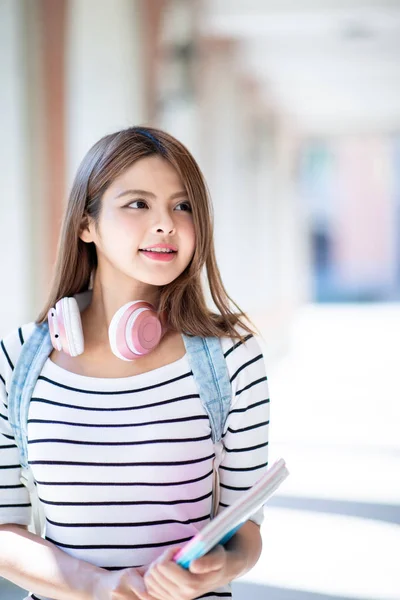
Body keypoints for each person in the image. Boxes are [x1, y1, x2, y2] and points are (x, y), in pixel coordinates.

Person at [0, 126, 270, 600]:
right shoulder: (18, 358)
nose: (166, 223)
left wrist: (218, 565)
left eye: (182, 206)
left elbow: (245, 531)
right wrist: (101, 587)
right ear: (87, 225)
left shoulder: (232, 358)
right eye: (138, 203)